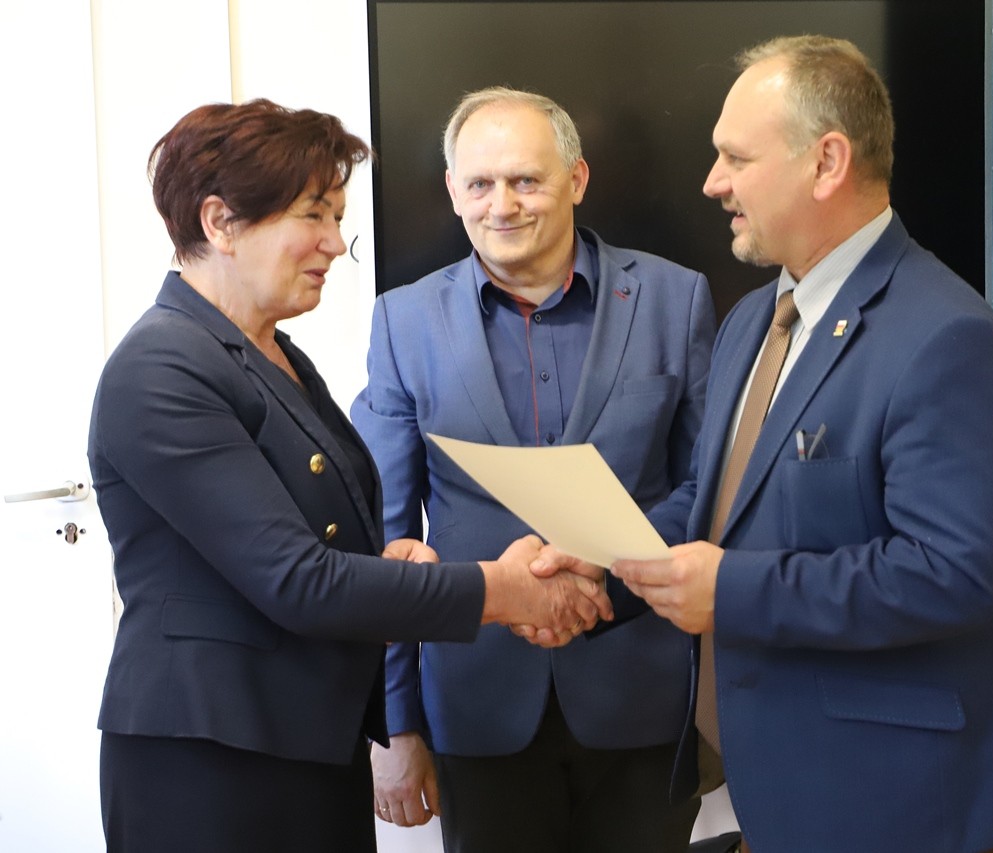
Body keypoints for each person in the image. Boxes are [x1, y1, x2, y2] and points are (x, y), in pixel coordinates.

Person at [535, 35, 993, 853]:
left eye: (736, 158)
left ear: (827, 162)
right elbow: (719, 502)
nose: (712, 182)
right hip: (781, 789)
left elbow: (954, 574)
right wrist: (606, 559)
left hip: (905, 804)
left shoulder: (947, 337)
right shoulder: (752, 319)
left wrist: (731, 591)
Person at [88, 99, 610, 853]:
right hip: (212, 764)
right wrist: (505, 590)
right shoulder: (161, 367)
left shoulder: (272, 354)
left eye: (337, 217)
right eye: (314, 215)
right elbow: (297, 580)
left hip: (302, 742)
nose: (336, 243)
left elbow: (313, 546)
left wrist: (388, 563)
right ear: (220, 222)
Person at [349, 86, 715, 852]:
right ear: (453, 191)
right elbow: (383, 538)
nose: (502, 205)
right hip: (475, 707)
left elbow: (708, 487)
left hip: (642, 696)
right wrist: (396, 723)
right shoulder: (402, 321)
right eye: (480, 184)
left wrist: (613, 566)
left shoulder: (676, 299)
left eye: (526, 180)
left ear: (576, 179)